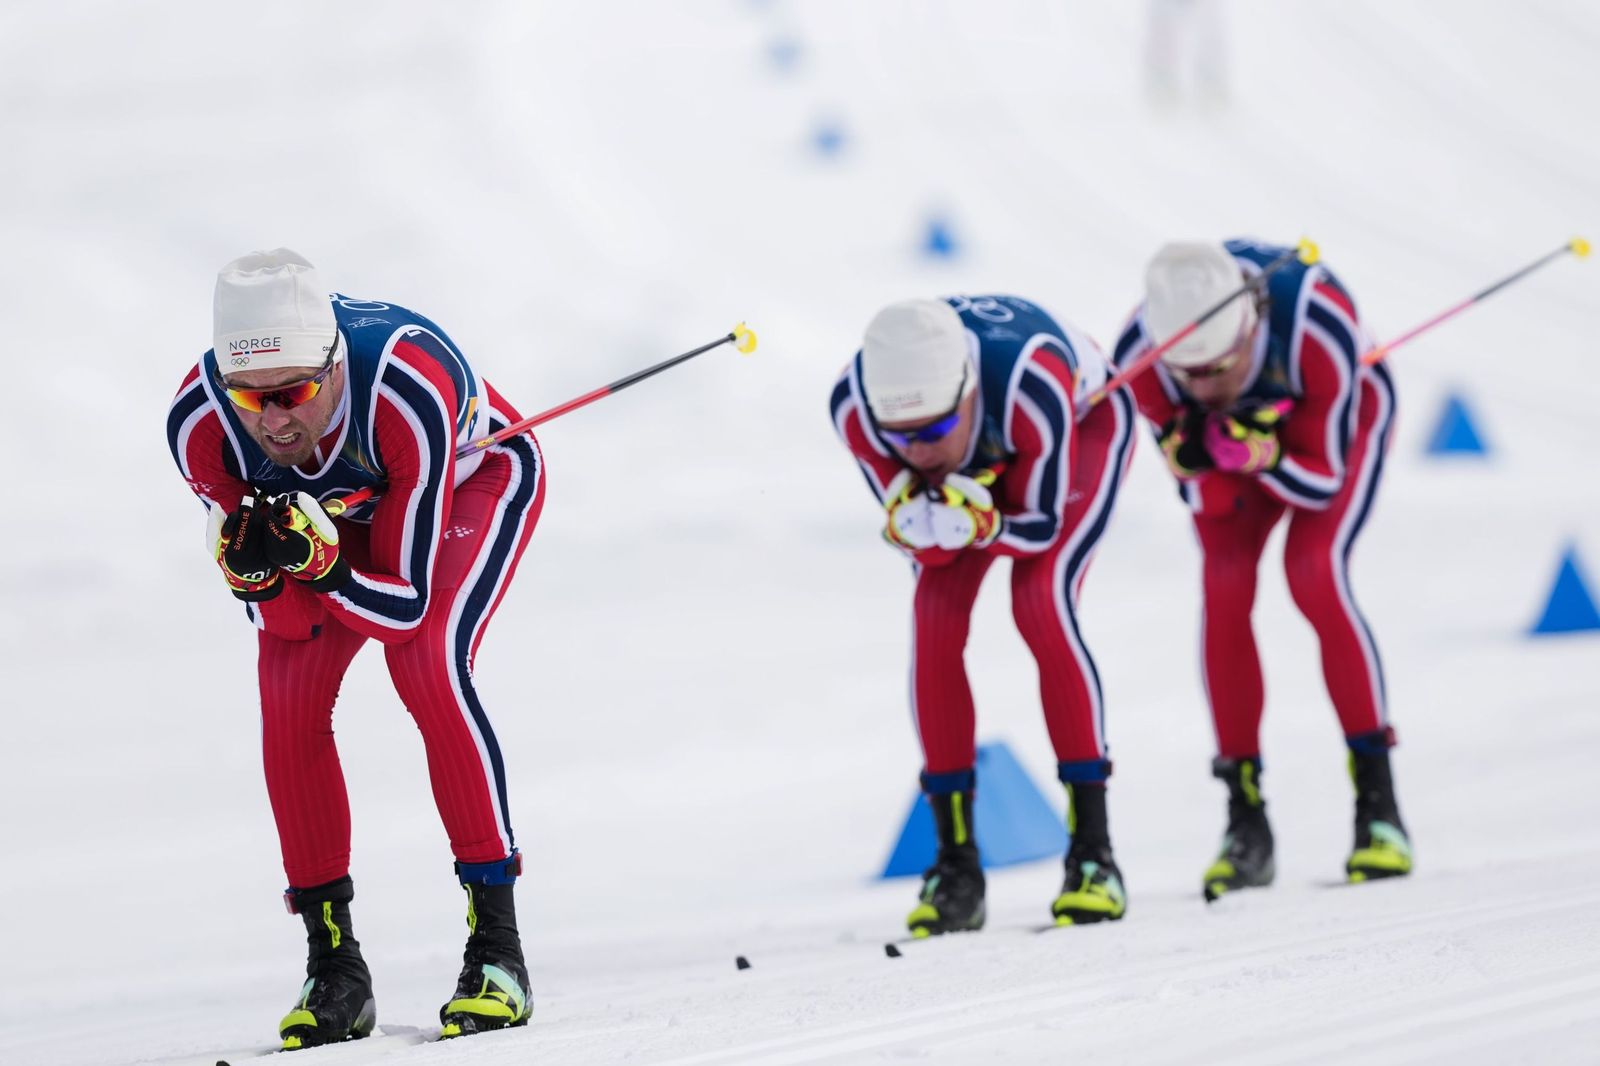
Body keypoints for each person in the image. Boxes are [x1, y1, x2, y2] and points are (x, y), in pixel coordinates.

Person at [166, 250, 545, 1047]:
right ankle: (333, 966)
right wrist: (256, 577)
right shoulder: (200, 426)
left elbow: (403, 606)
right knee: (289, 694)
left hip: (467, 481)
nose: (271, 421)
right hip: (340, 518)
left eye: (293, 394)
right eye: (249, 398)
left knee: (427, 661)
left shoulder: (407, 387)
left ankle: (497, 950)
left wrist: (322, 563)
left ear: (334, 367)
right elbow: (276, 616)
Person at [1111, 238, 1412, 902]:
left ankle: (1379, 810)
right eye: (1188, 375)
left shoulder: (1317, 321)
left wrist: (1265, 455)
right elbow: (1202, 495)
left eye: (1221, 366)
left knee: (1314, 571)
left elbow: (1322, 481)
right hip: (1248, 447)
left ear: (1252, 324)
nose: (1206, 387)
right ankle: (1244, 821)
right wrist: (1205, 451)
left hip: (1337, 419)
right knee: (1223, 588)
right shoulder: (1139, 355)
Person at [830, 296, 1136, 935]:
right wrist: (934, 521)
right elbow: (920, 536)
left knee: (1041, 603)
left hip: (1081, 428)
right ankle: (956, 865)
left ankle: (1094, 856)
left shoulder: (1031, 382)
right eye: (900, 438)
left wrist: (985, 520)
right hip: (991, 457)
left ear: (967, 392)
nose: (917, 452)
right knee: (935, 618)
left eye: (935, 431)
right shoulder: (853, 408)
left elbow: (1040, 526)